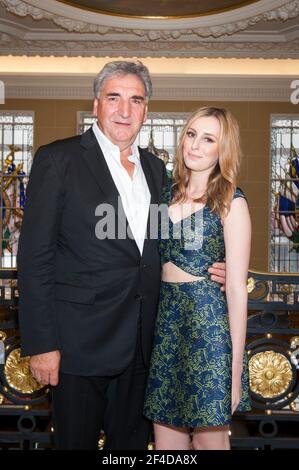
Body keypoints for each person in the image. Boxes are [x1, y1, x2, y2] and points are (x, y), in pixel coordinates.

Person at [17, 61, 226, 450]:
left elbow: (164, 245)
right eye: (114, 98)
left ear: (146, 110)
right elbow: (35, 259)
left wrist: (213, 267)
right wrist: (42, 344)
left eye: (136, 100)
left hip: (145, 346)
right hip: (78, 346)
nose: (125, 110)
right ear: (96, 104)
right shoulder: (58, 159)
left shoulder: (156, 169)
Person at [144, 106, 252, 450]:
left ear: (223, 149)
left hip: (209, 330)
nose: (195, 145)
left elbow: (236, 289)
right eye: (191, 134)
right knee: (167, 445)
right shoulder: (162, 196)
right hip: (166, 328)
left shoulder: (231, 202)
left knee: (210, 444)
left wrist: (234, 371)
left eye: (208, 139)